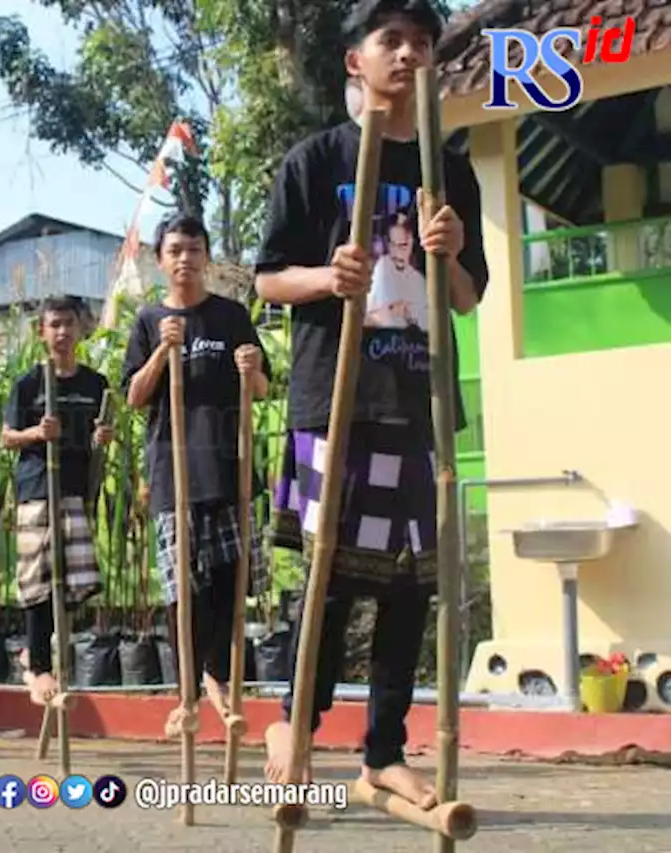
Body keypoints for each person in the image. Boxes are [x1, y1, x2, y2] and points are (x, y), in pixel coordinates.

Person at [253, 0, 489, 809]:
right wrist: (329, 277)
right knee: (328, 581)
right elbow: (267, 277)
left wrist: (448, 253)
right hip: (337, 397)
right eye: (392, 40)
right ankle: (294, 726)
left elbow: (464, 299)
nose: (410, 53)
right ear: (355, 60)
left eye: (423, 42)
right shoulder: (316, 163)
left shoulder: (448, 170)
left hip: (415, 399)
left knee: (408, 585)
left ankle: (383, 752)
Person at [120, 212, 271, 734]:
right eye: (176, 250)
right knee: (182, 593)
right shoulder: (147, 320)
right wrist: (164, 348)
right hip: (172, 473)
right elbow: (135, 398)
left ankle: (220, 682)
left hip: (227, 470)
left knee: (229, 589)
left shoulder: (230, 317)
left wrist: (250, 372)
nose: (186, 258)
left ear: (207, 257)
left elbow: (264, 390)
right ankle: (187, 693)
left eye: (195, 249)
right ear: (161, 260)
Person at [2, 296, 113, 705]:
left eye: (69, 323)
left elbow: (99, 434)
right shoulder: (29, 383)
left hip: (76, 489)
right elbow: (7, 437)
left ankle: (48, 651)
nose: (63, 332)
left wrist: (102, 439)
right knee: (38, 578)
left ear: (81, 328)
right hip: (36, 489)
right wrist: (36, 433)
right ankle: (39, 667)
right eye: (55, 325)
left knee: (73, 581)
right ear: (41, 332)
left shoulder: (94, 384)